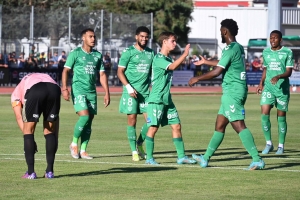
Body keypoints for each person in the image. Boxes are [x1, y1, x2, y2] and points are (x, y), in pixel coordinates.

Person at [188, 19, 265, 170]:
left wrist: (198, 78)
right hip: (234, 91)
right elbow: (223, 62)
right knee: (219, 125)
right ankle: (205, 158)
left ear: (224, 32)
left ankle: (257, 159)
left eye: (220, 32)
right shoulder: (237, 47)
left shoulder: (230, 49)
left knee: (239, 125)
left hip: (233, 92)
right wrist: (206, 62)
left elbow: (217, 72)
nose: (220, 35)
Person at [144, 31, 196, 165]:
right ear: (164, 42)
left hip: (167, 99)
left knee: (177, 126)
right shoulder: (159, 58)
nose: (175, 43)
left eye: (175, 41)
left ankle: (181, 157)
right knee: (153, 128)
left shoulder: (168, 59)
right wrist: (184, 54)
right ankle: (149, 158)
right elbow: (172, 66)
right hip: (157, 99)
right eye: (172, 41)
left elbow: (172, 64)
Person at [61, 28, 110, 160]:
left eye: (94, 37)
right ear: (83, 38)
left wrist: (107, 92)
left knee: (89, 122)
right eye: (90, 37)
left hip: (91, 92)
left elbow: (102, 74)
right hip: (78, 89)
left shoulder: (97, 55)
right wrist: (64, 88)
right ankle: (73, 144)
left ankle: (83, 151)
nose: (93, 39)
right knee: (85, 117)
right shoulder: (75, 53)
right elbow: (65, 71)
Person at [11, 73, 61, 179]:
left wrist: (29, 139)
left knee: (28, 131)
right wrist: (54, 139)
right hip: (55, 89)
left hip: (35, 89)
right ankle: (49, 172)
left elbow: (19, 117)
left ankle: (30, 173)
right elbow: (56, 122)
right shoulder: (41, 77)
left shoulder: (15, 94)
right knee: (49, 131)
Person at [117, 26, 155, 161]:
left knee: (151, 121)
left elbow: (155, 71)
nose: (144, 39)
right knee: (132, 120)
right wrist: (128, 87)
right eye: (142, 36)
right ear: (136, 37)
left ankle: (139, 144)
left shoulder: (151, 53)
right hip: (130, 92)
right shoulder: (128, 52)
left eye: (146, 37)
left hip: (145, 93)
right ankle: (133, 150)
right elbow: (120, 71)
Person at [256, 30, 294, 155]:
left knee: (281, 117)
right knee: (264, 113)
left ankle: (281, 146)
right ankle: (268, 143)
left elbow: (289, 72)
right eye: (271, 38)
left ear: (280, 39)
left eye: (275, 38)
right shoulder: (266, 52)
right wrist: (261, 83)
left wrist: (278, 76)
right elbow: (265, 69)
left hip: (282, 89)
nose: (272, 40)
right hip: (268, 88)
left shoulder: (287, 52)